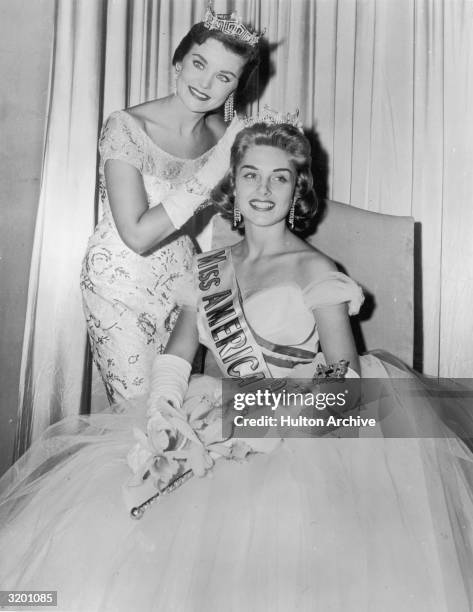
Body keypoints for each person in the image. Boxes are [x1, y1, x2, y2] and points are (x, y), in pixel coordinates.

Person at [1, 119, 473, 611]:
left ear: (299, 190)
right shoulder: (207, 267)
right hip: (214, 414)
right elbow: (179, 353)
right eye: (250, 174)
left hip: (300, 436)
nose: (263, 189)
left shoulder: (317, 270)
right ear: (233, 182)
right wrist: (164, 409)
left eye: (280, 177)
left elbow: (344, 382)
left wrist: (257, 419)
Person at [80, 6, 262, 403]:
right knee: (139, 417)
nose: (206, 83)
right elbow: (138, 234)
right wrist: (216, 166)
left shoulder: (224, 134)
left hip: (185, 285)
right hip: (119, 282)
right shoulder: (127, 126)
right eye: (199, 63)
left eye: (224, 76)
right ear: (178, 61)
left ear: (235, 88)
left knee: (176, 407)